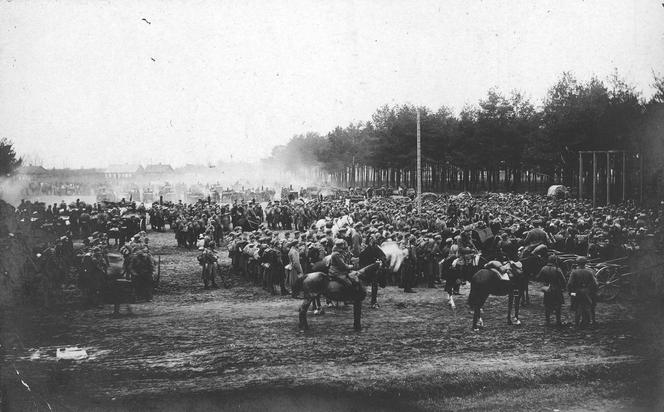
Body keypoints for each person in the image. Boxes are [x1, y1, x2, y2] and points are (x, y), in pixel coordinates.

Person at [567, 256, 598, 325]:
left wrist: (570, 293)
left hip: (577, 292)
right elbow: (594, 283)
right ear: (585, 263)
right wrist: (592, 291)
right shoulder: (589, 272)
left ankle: (577, 322)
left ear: (577, 263)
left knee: (577, 306)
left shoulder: (574, 272)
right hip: (587, 292)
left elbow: (569, 284)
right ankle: (587, 321)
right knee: (587, 306)